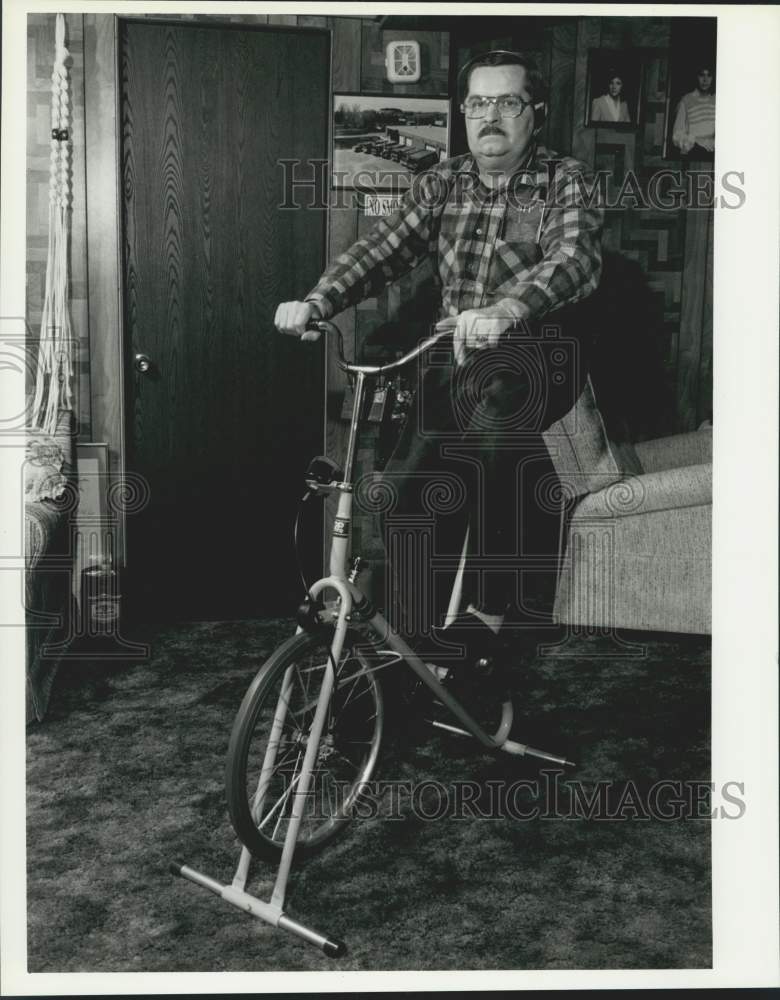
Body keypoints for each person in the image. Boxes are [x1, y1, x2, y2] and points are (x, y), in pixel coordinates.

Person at [274, 50, 604, 682]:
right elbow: (381, 250)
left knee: (494, 423)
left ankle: (497, 608)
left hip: (538, 356)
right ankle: (421, 651)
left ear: (535, 113)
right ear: (464, 112)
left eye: (508, 102)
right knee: (399, 498)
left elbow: (575, 259)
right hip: (454, 363)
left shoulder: (565, 178)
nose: (491, 116)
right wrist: (318, 301)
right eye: (479, 103)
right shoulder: (442, 181)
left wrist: (507, 308)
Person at [672, 66, 716, 156]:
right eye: (701, 75)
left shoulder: (718, 100)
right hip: (692, 153)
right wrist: (695, 141)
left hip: (714, 154)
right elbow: (677, 134)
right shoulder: (686, 100)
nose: (705, 80)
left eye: (709, 75)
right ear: (696, 77)